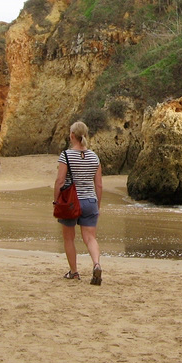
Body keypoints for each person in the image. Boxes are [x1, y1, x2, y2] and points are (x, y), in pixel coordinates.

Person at [54, 121, 104, 285]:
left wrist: (56, 202)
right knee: (90, 238)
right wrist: (97, 204)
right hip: (90, 200)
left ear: (72, 136)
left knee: (69, 238)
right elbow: (99, 184)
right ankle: (96, 264)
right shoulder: (94, 157)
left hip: (71, 202)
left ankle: (74, 272)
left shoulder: (66, 155)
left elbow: (60, 181)